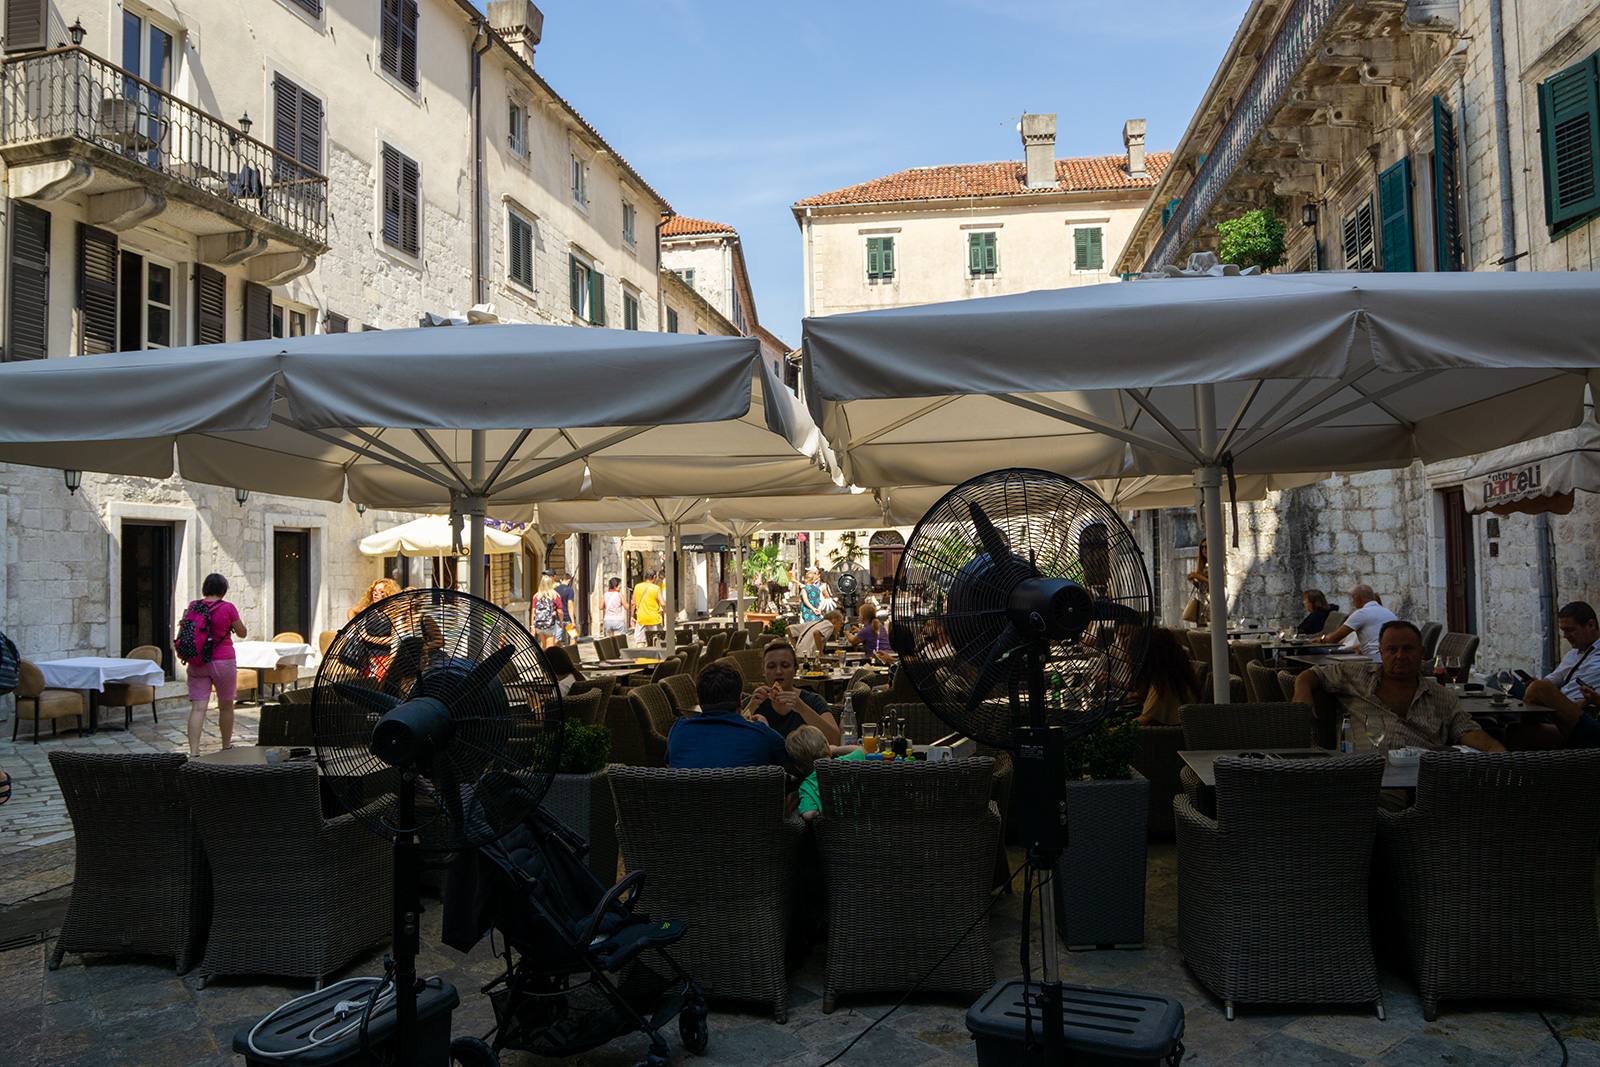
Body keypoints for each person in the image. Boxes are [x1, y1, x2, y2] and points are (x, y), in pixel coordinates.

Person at [1293, 620, 1504, 754]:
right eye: (1392, 650)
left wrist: (1494, 750)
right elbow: (1313, 674)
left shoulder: (1441, 696)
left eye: (1408, 649)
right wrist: (1302, 692)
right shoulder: (1355, 675)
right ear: (1381, 653)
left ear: (1422, 653)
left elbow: (1467, 730)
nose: (1400, 656)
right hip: (1367, 775)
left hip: (1422, 780)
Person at [1509, 602, 1600, 749]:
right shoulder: (1573, 654)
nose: (1565, 636)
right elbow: (1551, 682)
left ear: (1591, 625)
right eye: (1563, 630)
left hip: (1585, 717)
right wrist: (1535, 685)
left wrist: (1593, 700)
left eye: (1570, 630)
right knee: (1514, 730)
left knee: (1538, 689)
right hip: (1556, 711)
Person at [666, 662, 785, 769]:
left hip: (691, 788)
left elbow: (670, 766)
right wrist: (764, 729)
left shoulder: (679, 730)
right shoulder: (760, 733)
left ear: (699, 702)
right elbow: (789, 762)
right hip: (745, 788)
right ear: (740, 700)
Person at [184, 572, 247, 757]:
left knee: (198, 709)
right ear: (223, 590)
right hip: (223, 661)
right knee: (226, 705)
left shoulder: (194, 606)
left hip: (197, 661)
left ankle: (194, 751)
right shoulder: (228, 608)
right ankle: (226, 746)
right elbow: (242, 633)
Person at [744, 640, 841, 744]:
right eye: (771, 666)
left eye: (785, 665)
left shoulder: (812, 701)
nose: (778, 672)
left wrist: (801, 708)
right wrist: (751, 706)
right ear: (764, 671)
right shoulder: (755, 702)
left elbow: (835, 740)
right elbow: (732, 736)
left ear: (795, 670)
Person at [787, 724, 864, 821]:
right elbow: (861, 750)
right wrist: (836, 749)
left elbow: (808, 814)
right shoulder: (845, 762)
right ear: (828, 749)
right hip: (865, 823)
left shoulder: (807, 786)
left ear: (798, 768)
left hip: (834, 828)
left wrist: (819, 814)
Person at [1129, 627, 1202, 726]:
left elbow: (1146, 720)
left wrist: (1113, 730)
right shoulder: (1171, 673)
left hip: (1163, 734)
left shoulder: (1164, 683)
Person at [1324, 584, 1397, 655]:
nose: (1353, 602)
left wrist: (1322, 638)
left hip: (1373, 656)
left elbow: (1334, 639)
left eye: (1353, 599)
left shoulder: (1361, 613)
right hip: (1390, 656)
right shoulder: (1389, 613)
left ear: (1357, 599)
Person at [532, 574, 566, 650]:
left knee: (543, 644)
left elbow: (533, 612)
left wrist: (532, 626)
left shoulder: (536, 596)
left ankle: (542, 657)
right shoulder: (555, 596)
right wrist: (561, 622)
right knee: (550, 646)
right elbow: (560, 611)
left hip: (539, 623)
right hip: (550, 623)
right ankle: (549, 657)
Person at [632, 571, 664, 645]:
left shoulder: (637, 587)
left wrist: (632, 616)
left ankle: (639, 652)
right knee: (656, 643)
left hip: (641, 619)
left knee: (640, 642)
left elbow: (633, 603)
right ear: (654, 577)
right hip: (654, 619)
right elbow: (662, 603)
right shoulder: (656, 588)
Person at [1184, 539, 1210, 626]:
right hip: (1202, 603)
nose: (1204, 550)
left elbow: (1214, 584)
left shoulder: (1214, 565)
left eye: (1206, 547)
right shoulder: (1203, 566)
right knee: (1200, 628)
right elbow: (1202, 587)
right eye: (1202, 547)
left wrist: (1198, 576)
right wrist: (1193, 581)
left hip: (1210, 603)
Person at [555, 573, 578, 644]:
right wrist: (573, 621)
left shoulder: (554, 590)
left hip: (558, 617)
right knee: (573, 637)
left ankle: (557, 648)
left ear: (561, 580)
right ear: (569, 580)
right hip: (568, 618)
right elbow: (570, 606)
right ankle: (572, 650)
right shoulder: (570, 590)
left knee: (556, 638)